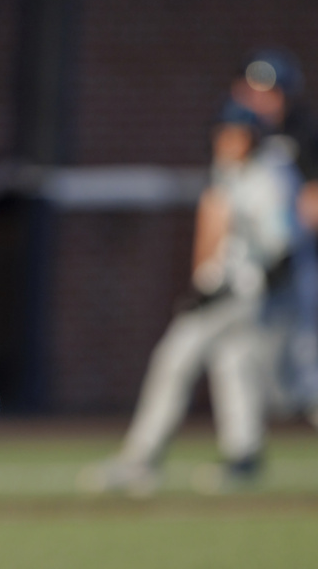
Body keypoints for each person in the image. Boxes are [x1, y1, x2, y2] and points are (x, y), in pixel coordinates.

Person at [78, 94, 313, 496]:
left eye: (236, 134)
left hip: (249, 297)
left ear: (253, 137)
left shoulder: (268, 175)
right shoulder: (236, 171)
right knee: (234, 363)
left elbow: (281, 249)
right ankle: (244, 456)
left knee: (178, 359)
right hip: (241, 295)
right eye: (223, 134)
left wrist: (228, 291)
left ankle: (140, 459)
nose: (226, 141)